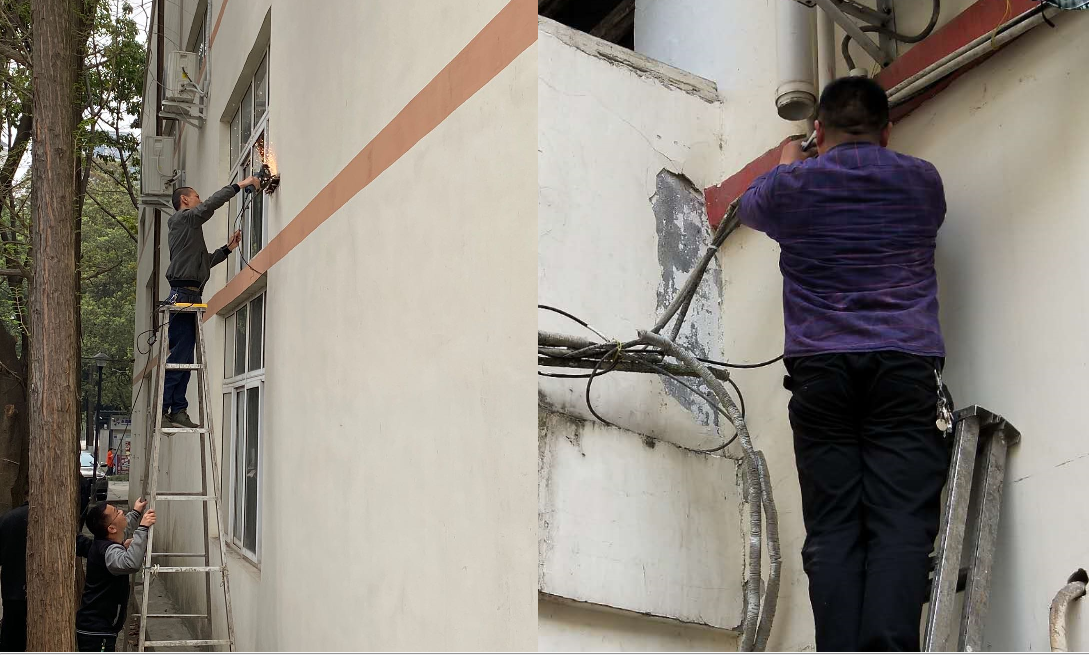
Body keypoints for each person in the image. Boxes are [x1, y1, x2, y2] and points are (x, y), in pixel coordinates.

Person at [738, 76, 951, 651]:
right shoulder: (922, 181)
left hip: (821, 373)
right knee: (900, 523)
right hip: (905, 366)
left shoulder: (791, 186)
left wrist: (790, 157)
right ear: (887, 131)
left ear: (819, 130)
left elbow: (751, 206)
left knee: (833, 526)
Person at [162, 175, 262, 429]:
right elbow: (210, 206)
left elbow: (203, 263)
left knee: (185, 356)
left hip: (191, 295)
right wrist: (241, 184)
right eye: (196, 196)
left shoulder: (189, 232)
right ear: (185, 200)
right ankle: (165, 408)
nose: (200, 200)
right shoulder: (183, 219)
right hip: (182, 296)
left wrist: (227, 249)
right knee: (181, 355)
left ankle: (178, 409)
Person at [75, 499, 155, 652]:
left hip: (97, 628)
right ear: (111, 528)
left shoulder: (105, 543)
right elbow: (130, 563)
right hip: (96, 631)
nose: (121, 512)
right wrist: (143, 528)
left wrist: (136, 512)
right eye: (117, 512)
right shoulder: (108, 551)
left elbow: (122, 529)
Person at [0, 502, 28, 651]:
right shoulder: (53, 519)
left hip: (13, 591)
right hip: (44, 595)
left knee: (11, 641)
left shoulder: (8, 518)